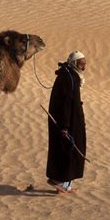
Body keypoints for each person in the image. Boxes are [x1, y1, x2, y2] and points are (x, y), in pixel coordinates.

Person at [46, 51, 87, 194]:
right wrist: (64, 126)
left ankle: (65, 185)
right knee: (68, 149)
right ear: (74, 63)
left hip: (71, 120)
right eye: (81, 64)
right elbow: (65, 103)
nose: (83, 67)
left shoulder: (69, 75)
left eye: (84, 64)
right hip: (66, 122)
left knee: (71, 149)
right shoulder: (68, 77)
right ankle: (58, 180)